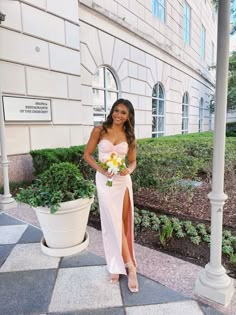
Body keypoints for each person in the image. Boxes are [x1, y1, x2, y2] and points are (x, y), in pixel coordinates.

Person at [83, 98, 139, 293]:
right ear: (112, 111)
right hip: (105, 182)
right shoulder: (99, 130)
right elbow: (87, 155)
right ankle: (129, 266)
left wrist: (128, 171)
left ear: (128, 116)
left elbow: (132, 162)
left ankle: (118, 264)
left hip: (122, 183)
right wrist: (101, 169)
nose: (118, 115)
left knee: (122, 223)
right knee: (111, 224)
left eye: (123, 112)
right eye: (116, 110)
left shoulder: (130, 136)